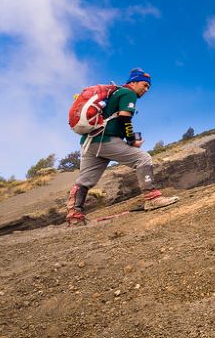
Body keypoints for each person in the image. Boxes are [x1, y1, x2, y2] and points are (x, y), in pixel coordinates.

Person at [66, 68, 178, 225]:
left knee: (84, 181)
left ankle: (74, 216)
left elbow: (117, 118)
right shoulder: (128, 93)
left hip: (89, 142)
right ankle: (152, 198)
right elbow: (124, 118)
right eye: (144, 85)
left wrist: (129, 138)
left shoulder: (116, 93)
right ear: (133, 82)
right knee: (143, 158)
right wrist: (132, 140)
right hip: (105, 140)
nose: (146, 90)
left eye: (148, 87)